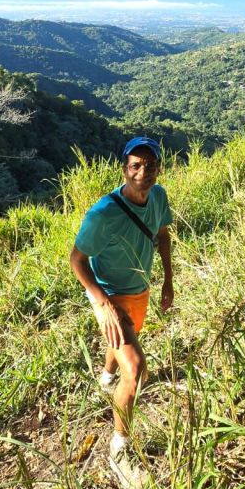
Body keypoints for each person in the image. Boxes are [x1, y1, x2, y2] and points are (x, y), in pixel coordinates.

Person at [69, 136, 174, 459]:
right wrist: (104, 304)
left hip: (138, 288)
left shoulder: (158, 196)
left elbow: (163, 235)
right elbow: (77, 260)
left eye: (150, 165)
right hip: (107, 292)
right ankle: (120, 443)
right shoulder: (104, 214)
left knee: (125, 339)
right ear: (125, 170)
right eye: (136, 165)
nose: (143, 172)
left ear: (158, 169)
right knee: (137, 368)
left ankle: (106, 377)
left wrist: (168, 280)